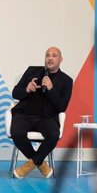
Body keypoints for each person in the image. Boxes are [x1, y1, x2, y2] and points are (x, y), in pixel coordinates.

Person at [11, 47, 73, 179]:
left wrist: (51, 89)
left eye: (54, 56)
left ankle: (29, 165)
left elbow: (62, 107)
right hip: (25, 114)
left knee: (53, 134)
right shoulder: (32, 70)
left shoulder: (66, 81)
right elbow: (15, 93)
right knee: (16, 132)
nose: (50, 58)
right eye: (47, 55)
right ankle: (41, 164)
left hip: (46, 118)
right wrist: (26, 89)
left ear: (60, 60)